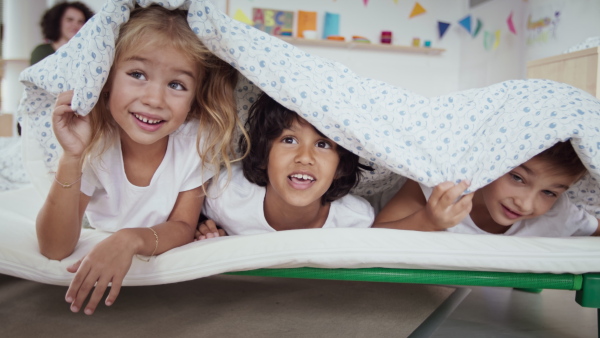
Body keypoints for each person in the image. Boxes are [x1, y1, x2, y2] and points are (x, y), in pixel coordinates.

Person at [35, 6, 245, 315]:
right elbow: (54, 249)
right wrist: (72, 156)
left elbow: (183, 225)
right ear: (107, 80)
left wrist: (129, 240)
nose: (154, 100)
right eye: (137, 74)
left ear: (194, 98)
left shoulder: (197, 140)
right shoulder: (96, 140)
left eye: (176, 85)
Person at [197, 93, 374, 240]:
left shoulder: (355, 220)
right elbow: (192, 216)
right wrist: (204, 228)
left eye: (323, 144)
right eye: (289, 140)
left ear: (340, 167)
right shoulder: (227, 194)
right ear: (264, 154)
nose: (305, 158)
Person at [373, 141, 600, 237]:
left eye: (550, 192)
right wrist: (429, 221)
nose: (526, 204)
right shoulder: (440, 186)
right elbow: (378, 232)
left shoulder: (558, 212)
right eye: (517, 178)